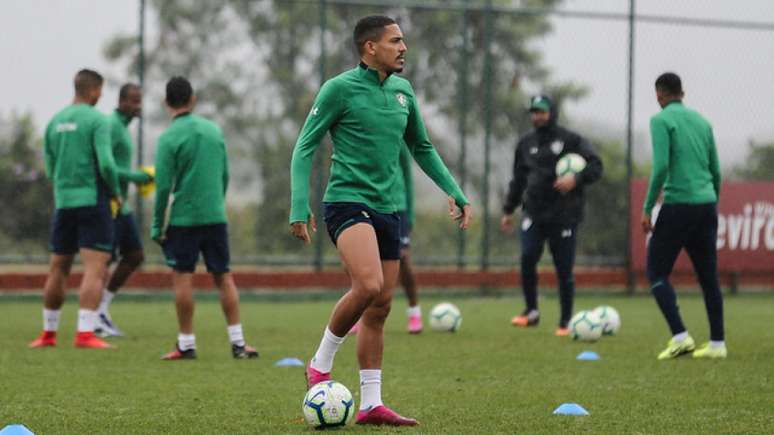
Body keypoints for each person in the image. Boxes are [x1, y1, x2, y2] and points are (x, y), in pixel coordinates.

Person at [290, 16, 472, 426]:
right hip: (346, 202)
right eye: (395, 41)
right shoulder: (338, 89)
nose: (404, 47)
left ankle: (371, 403)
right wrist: (297, 206)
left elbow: (422, 147)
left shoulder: (403, 91)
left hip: (390, 208)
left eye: (403, 40)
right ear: (370, 47)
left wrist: (454, 191)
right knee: (368, 284)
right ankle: (319, 364)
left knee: (381, 305)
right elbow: (304, 147)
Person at [151, 76, 258, 360]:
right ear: (192, 99)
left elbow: (162, 187)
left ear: (166, 103)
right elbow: (224, 175)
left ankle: (186, 344)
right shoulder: (213, 131)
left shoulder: (168, 138)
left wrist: (156, 225)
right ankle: (238, 344)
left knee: (183, 278)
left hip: (183, 220)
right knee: (224, 277)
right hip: (215, 216)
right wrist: (215, 204)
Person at [29, 69, 122, 350]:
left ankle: (48, 333)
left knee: (58, 267)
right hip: (92, 199)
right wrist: (115, 190)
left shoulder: (54, 121)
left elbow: (50, 168)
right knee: (95, 267)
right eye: (101, 91)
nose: (101, 96)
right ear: (93, 90)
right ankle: (84, 333)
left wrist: (63, 188)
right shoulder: (97, 120)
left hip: (64, 201)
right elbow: (106, 163)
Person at [501, 95, 602, 336]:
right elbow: (518, 179)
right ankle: (531, 311)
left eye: (542, 111)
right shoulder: (525, 144)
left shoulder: (571, 140)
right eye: (534, 112)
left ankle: (566, 321)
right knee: (527, 258)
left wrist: (575, 179)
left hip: (564, 215)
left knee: (563, 269)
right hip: (533, 212)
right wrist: (508, 209)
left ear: (552, 113)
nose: (537, 116)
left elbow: (596, 165)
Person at [641, 72, 725, 360]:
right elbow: (716, 170)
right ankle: (717, 344)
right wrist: (712, 201)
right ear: (683, 93)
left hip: (678, 205)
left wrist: (647, 207)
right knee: (708, 277)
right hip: (706, 205)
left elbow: (661, 167)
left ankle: (680, 336)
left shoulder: (661, 120)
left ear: (659, 95)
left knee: (656, 272)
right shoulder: (703, 122)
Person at [95, 83, 153, 337]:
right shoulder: (110, 125)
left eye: (140, 101)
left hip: (121, 204)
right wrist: (136, 177)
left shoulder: (123, 127)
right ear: (120, 102)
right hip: (110, 202)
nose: (137, 106)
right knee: (103, 260)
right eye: (133, 101)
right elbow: (104, 166)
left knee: (135, 254)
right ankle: (93, 316)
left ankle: (101, 310)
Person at [396, 144, 423, 334]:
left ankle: (414, 311)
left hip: (398, 207)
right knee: (362, 262)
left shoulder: (399, 139)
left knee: (403, 260)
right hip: (368, 203)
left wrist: (410, 215)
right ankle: (358, 314)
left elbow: (407, 176)